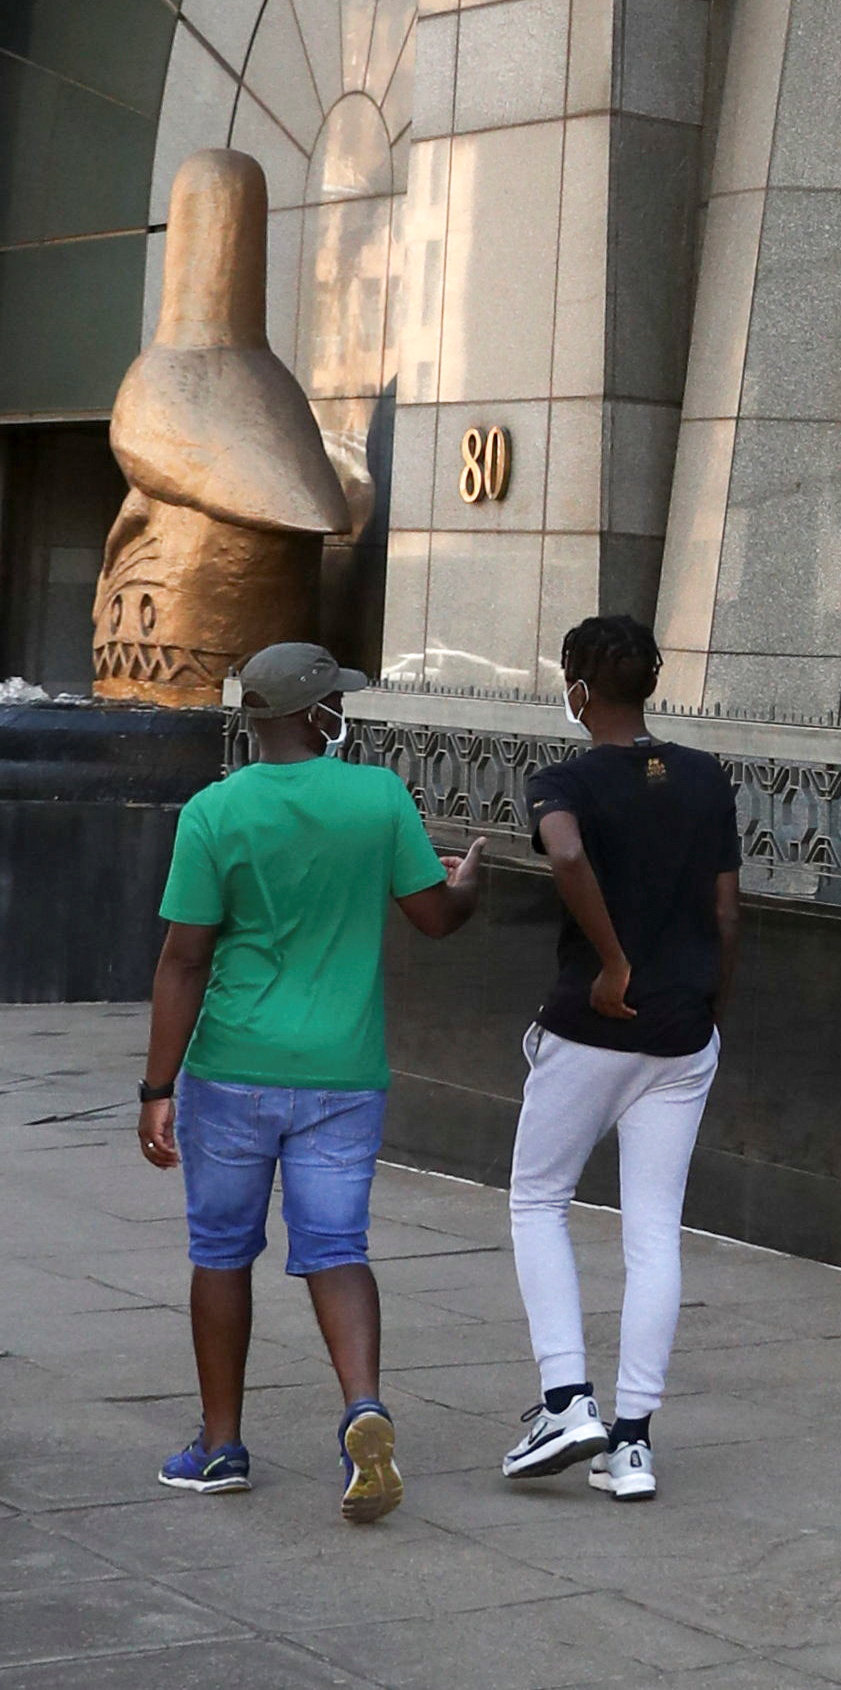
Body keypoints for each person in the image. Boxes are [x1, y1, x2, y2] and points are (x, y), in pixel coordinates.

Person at [138, 642, 486, 1520]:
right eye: (335, 698)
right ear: (313, 714)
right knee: (337, 1248)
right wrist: (469, 886)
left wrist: (156, 1087)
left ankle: (220, 1448)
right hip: (343, 1071)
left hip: (232, 1067)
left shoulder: (214, 812)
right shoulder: (376, 798)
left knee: (221, 1252)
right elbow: (434, 918)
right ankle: (362, 1408)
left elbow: (183, 959)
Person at [499, 615, 739, 1503]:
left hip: (594, 1026)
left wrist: (611, 960)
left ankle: (566, 1398)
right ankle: (631, 1442)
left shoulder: (565, 778)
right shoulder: (705, 775)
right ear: (651, 682)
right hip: (682, 1033)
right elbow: (726, 913)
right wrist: (711, 1014)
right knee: (652, 1233)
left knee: (537, 1199)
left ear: (577, 686)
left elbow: (563, 850)